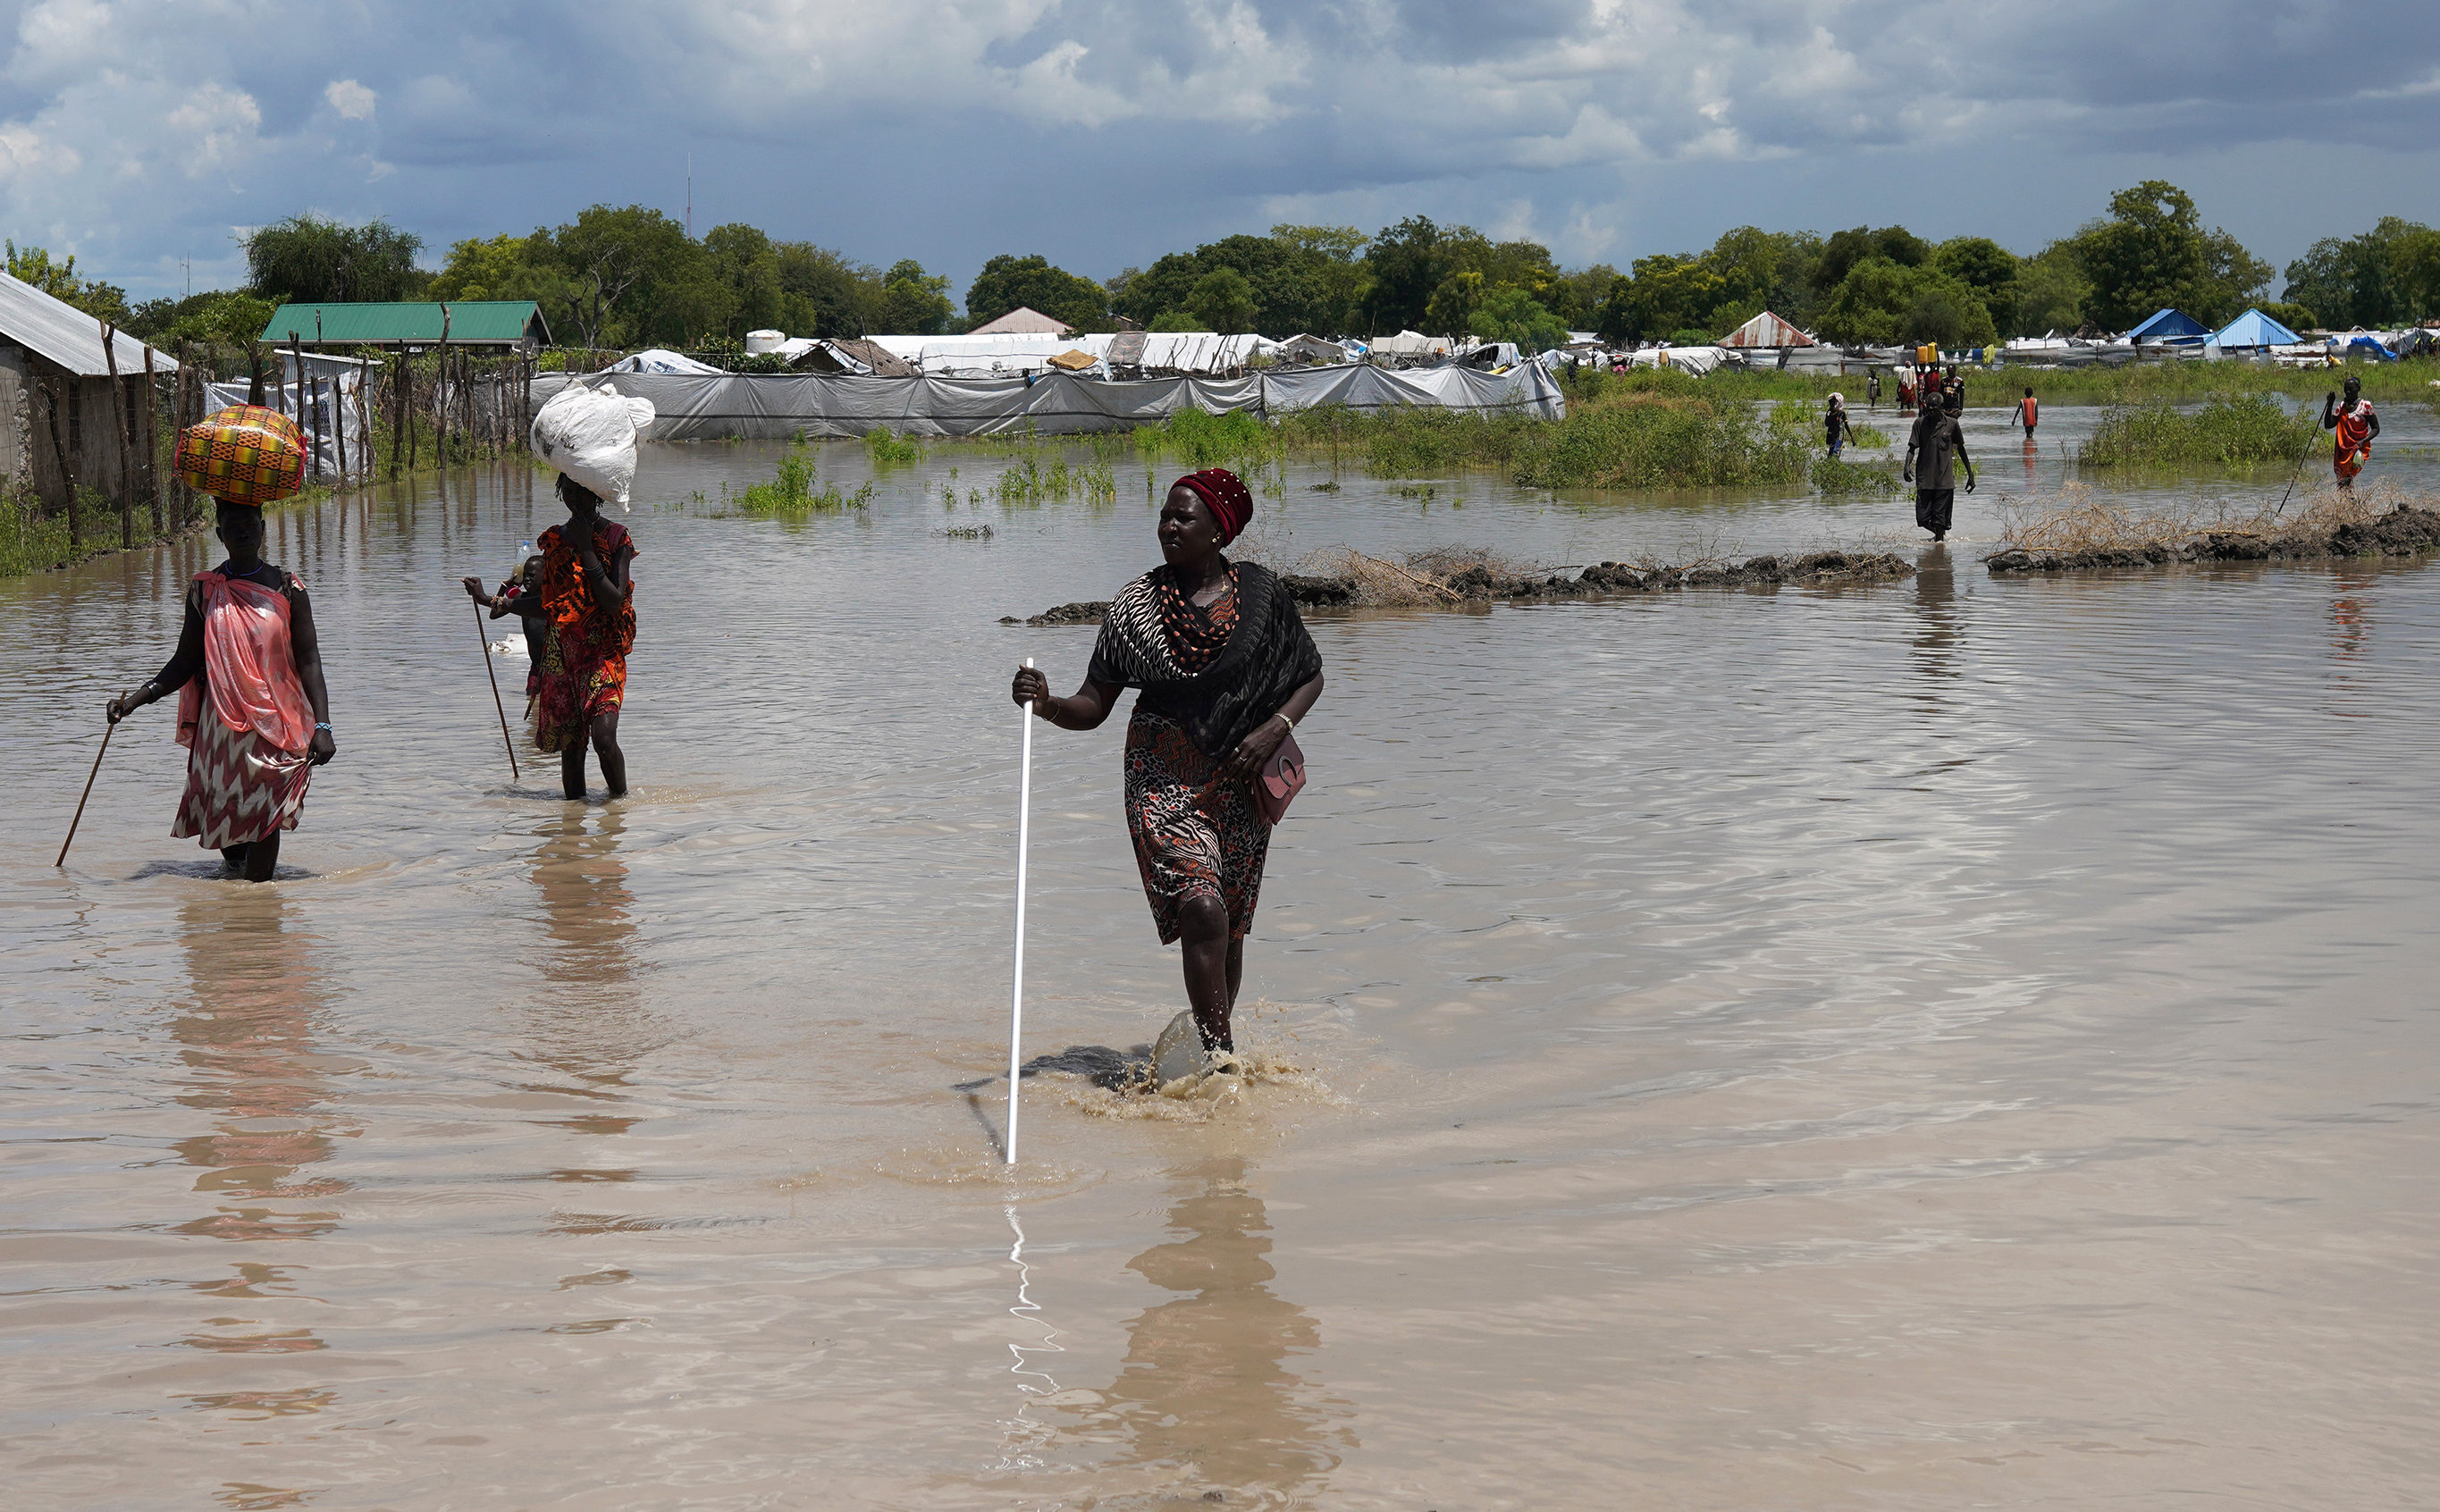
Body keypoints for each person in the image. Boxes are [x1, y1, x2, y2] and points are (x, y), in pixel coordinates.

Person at [1010, 468, 1325, 1063]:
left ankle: (1207, 1053)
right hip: (1162, 777)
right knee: (1201, 907)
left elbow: (1309, 676)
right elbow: (1093, 706)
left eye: (1184, 517)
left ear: (1218, 531)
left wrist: (1274, 729)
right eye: (1165, 515)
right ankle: (1224, 1063)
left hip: (1241, 780)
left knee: (1227, 927)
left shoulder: (1261, 597)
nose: (1169, 526)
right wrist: (1047, 704)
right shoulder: (1137, 607)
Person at [106, 499, 337, 880]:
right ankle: (237, 907)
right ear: (219, 534)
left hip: (274, 724)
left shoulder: (288, 588)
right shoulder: (206, 591)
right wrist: (133, 701)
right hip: (221, 729)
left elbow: (310, 660)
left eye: (250, 523)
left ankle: (259, 907)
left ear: (263, 529)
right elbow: (184, 662)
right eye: (233, 526)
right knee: (230, 823)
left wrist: (323, 726)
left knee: (265, 812)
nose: (243, 531)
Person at [464, 475, 635, 799]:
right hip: (562, 658)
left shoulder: (616, 538)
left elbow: (614, 602)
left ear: (596, 492)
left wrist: (586, 548)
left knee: (604, 739)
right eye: (568, 491)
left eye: (582, 491)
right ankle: (572, 826)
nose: (575, 499)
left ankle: (619, 811)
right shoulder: (556, 541)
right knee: (571, 748)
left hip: (603, 655)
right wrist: (490, 600)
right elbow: (549, 605)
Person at [1905, 394, 1974, 543]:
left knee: (1939, 520)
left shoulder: (1952, 424)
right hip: (1925, 479)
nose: (1930, 410)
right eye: (1928, 407)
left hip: (1944, 480)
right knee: (1922, 519)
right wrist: (1907, 465)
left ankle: (1939, 552)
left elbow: (1961, 449)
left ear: (1941, 408)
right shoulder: (1919, 424)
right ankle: (1940, 536)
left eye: (1934, 408)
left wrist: (1970, 474)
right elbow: (1912, 448)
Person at [2322, 374, 2380, 488]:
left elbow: (2376, 428)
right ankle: (2349, 503)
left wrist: (2363, 441)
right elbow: (2328, 425)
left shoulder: (2365, 406)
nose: (2348, 392)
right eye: (2346, 389)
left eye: (2351, 389)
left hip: (2358, 448)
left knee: (2347, 479)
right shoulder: (2342, 406)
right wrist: (2330, 405)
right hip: (2343, 450)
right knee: (2343, 481)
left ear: (2358, 389)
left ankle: (2348, 503)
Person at [1824, 393, 1857, 458]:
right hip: (1831, 435)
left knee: (1835, 452)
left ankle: (1836, 465)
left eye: (1833, 403)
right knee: (1830, 456)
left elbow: (1846, 426)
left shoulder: (1841, 413)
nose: (1831, 405)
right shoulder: (1829, 413)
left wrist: (1852, 438)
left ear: (1836, 403)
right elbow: (1826, 424)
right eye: (1830, 403)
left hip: (1839, 435)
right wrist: (1828, 416)